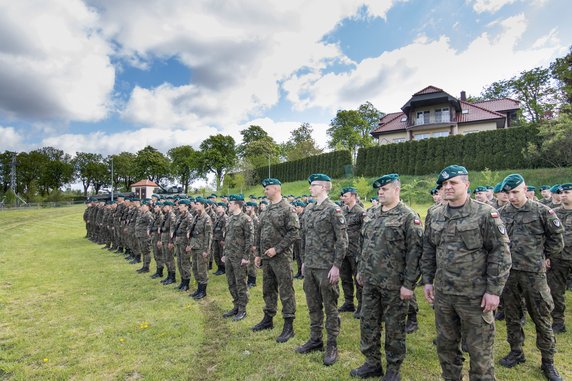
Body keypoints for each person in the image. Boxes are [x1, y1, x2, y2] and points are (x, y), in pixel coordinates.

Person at [421, 165, 511, 381]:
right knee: (446, 346)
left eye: (453, 183)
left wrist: (493, 291)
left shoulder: (485, 214)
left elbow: (500, 253)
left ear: (467, 185)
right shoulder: (434, 214)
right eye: (444, 184)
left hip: (475, 296)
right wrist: (427, 280)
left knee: (480, 351)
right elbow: (428, 249)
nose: (448, 187)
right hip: (444, 295)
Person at [350, 174, 423, 380]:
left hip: (395, 285)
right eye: (379, 190)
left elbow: (415, 253)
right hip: (371, 282)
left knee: (394, 328)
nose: (380, 192)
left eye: (385, 189)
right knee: (368, 324)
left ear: (397, 190)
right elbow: (363, 245)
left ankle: (393, 369)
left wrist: (409, 284)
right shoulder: (371, 214)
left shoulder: (408, 216)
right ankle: (372, 363)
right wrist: (361, 270)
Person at [498, 174, 564, 381]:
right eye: (508, 193)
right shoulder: (501, 214)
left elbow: (557, 240)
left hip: (534, 275)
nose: (512, 197)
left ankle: (548, 362)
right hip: (509, 275)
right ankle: (516, 352)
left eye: (516, 192)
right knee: (512, 315)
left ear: (525, 189)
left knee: (542, 317)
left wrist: (543, 256)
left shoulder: (542, 211)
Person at [295, 173, 348, 366]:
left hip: (326, 267)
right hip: (310, 265)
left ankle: (332, 344)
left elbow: (342, 241)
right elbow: (304, 237)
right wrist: (303, 261)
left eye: (314, 185)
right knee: (313, 305)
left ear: (324, 187)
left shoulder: (334, 210)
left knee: (330, 307)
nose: (310, 188)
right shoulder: (309, 209)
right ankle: (315, 339)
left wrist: (336, 265)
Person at [252, 178, 300, 344]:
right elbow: (260, 233)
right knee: (268, 288)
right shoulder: (265, 210)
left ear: (276, 189)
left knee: (286, 290)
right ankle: (268, 318)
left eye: (267, 189)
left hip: (282, 258)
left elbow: (294, 233)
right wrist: (258, 254)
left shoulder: (287, 209)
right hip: (266, 257)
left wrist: (277, 249)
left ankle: (288, 325)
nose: (265, 191)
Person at [221, 194, 254, 321]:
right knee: (231, 282)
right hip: (229, 255)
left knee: (240, 283)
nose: (228, 205)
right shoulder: (229, 219)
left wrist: (246, 256)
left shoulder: (246, 219)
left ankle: (242, 309)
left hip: (239, 257)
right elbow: (227, 237)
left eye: (230, 203)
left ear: (237, 204)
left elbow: (249, 239)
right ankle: (235, 305)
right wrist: (224, 253)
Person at [339, 187, 365, 319]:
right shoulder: (342, 211)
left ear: (353, 196)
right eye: (343, 196)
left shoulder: (360, 212)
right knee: (345, 278)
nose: (343, 198)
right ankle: (349, 302)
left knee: (358, 279)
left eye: (346, 196)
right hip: (344, 250)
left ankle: (361, 305)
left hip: (356, 251)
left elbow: (365, 232)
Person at [550, 184, 572, 333]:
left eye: (567, 192)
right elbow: (548, 235)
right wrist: (547, 256)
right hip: (559, 258)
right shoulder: (553, 213)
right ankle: (558, 321)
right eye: (561, 193)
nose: (563, 195)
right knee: (555, 290)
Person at [188, 197, 213, 300]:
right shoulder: (196, 217)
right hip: (195, 246)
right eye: (195, 204)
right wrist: (190, 244)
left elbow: (208, 235)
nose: (195, 205)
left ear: (203, 205)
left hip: (202, 247)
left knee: (202, 269)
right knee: (195, 268)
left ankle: (203, 291)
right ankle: (199, 289)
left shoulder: (206, 218)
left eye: (197, 204)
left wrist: (206, 250)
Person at [172, 199, 192, 292]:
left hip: (185, 243)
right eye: (179, 205)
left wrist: (189, 245)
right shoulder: (180, 216)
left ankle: (186, 283)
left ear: (187, 207)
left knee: (185, 263)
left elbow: (190, 233)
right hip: (179, 242)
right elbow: (175, 227)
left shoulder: (189, 217)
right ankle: (182, 281)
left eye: (181, 205)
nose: (179, 207)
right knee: (179, 262)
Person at [159, 201, 177, 285]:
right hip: (164, 239)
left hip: (168, 240)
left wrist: (171, 242)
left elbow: (172, 230)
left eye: (165, 206)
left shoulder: (172, 216)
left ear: (170, 207)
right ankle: (169, 275)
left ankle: (172, 277)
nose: (163, 208)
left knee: (170, 259)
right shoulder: (166, 215)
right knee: (166, 258)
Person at [212, 202, 228, 276]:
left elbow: (226, 229)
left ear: (223, 208)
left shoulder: (225, 217)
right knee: (216, 254)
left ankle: (223, 268)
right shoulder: (218, 217)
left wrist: (223, 239)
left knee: (222, 253)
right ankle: (219, 267)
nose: (217, 208)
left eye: (219, 207)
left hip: (221, 239)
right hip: (216, 238)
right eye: (217, 207)